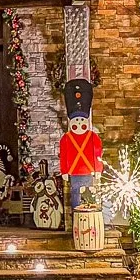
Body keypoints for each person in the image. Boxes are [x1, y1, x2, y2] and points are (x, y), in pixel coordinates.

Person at [58, 78, 104, 208]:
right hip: (74, 173)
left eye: (81, 120)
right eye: (76, 120)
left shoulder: (93, 137)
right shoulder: (66, 139)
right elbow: (64, 155)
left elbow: (97, 154)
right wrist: (64, 171)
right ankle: (77, 220)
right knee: (75, 197)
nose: (78, 123)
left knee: (89, 196)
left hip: (88, 172)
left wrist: (98, 169)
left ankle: (89, 221)